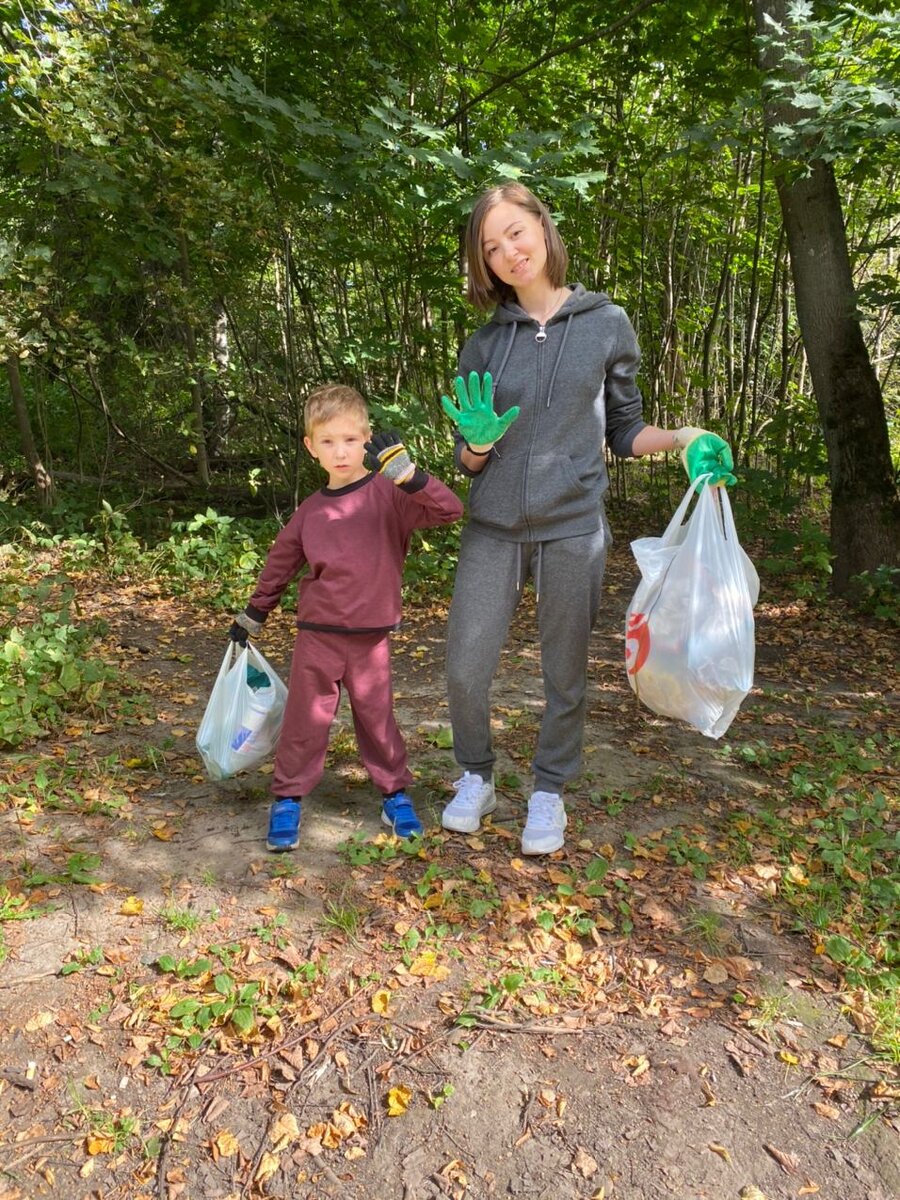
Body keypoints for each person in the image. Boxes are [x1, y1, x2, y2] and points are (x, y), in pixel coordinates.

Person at [439, 181, 735, 856]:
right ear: (483, 264)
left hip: (573, 524)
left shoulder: (605, 323)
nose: (508, 251)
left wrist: (684, 436)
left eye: (516, 232)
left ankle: (548, 792)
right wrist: (478, 443)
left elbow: (625, 430)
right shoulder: (484, 345)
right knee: (463, 667)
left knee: (564, 671)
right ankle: (475, 776)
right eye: (491, 247)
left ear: (542, 228)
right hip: (493, 528)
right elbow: (466, 458)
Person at [230, 383, 464, 851]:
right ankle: (288, 797)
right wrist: (255, 612)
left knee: (378, 719)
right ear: (311, 447)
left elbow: (450, 510)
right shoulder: (310, 512)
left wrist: (408, 475)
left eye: (351, 440)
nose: (341, 452)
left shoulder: (390, 495)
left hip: (371, 638)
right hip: (318, 636)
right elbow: (281, 561)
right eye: (329, 441)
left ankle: (394, 793)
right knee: (305, 721)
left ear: (367, 440)